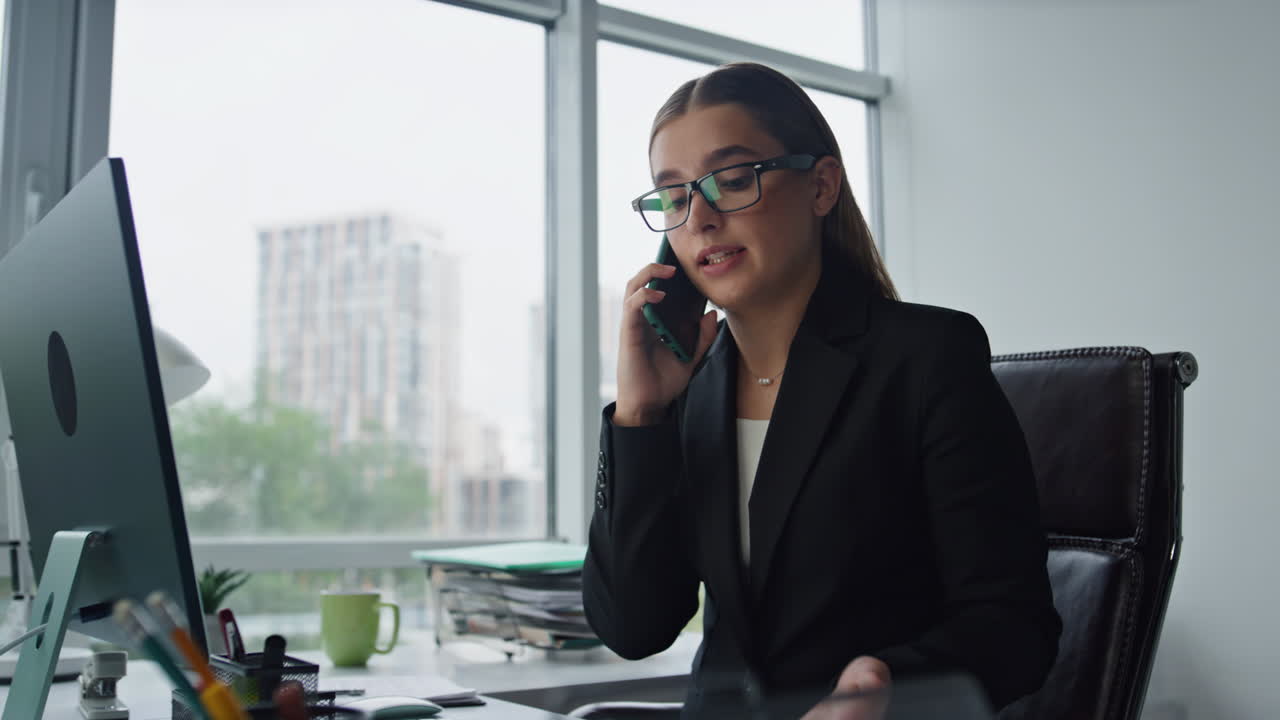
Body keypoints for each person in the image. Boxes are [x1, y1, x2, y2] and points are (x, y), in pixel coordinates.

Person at [582, 62, 1061, 719]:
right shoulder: (690, 391)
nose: (701, 219)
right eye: (673, 196)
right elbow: (634, 628)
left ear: (821, 186)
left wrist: (888, 686)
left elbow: (1015, 629)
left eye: (733, 179)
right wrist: (640, 416)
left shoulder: (927, 358)